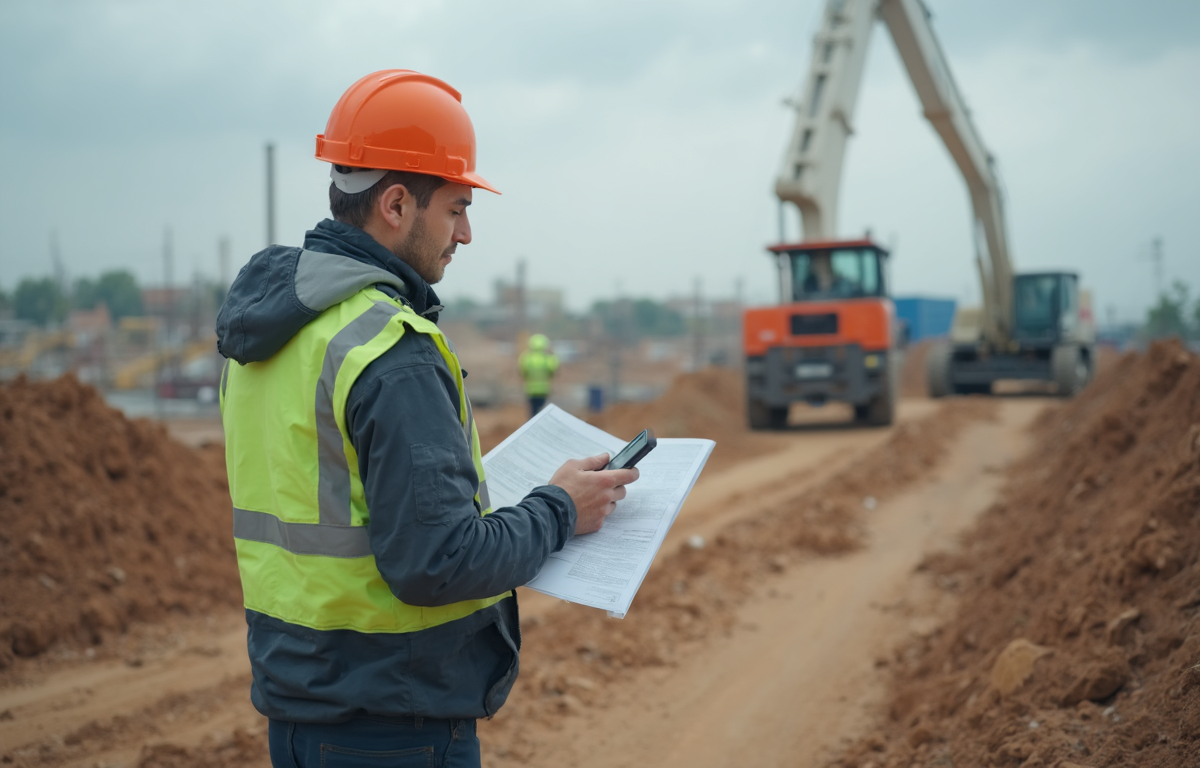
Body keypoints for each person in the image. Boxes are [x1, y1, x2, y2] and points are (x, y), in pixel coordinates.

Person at [215, 70, 638, 768]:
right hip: (395, 723)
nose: (466, 233)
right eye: (455, 209)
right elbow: (437, 563)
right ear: (396, 203)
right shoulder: (389, 350)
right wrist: (560, 509)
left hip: (300, 713)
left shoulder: (268, 333)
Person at [518, 333, 559, 418]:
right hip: (544, 390)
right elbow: (553, 370)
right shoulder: (547, 358)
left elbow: (522, 372)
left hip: (530, 390)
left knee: (532, 411)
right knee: (541, 411)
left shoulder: (526, 358)